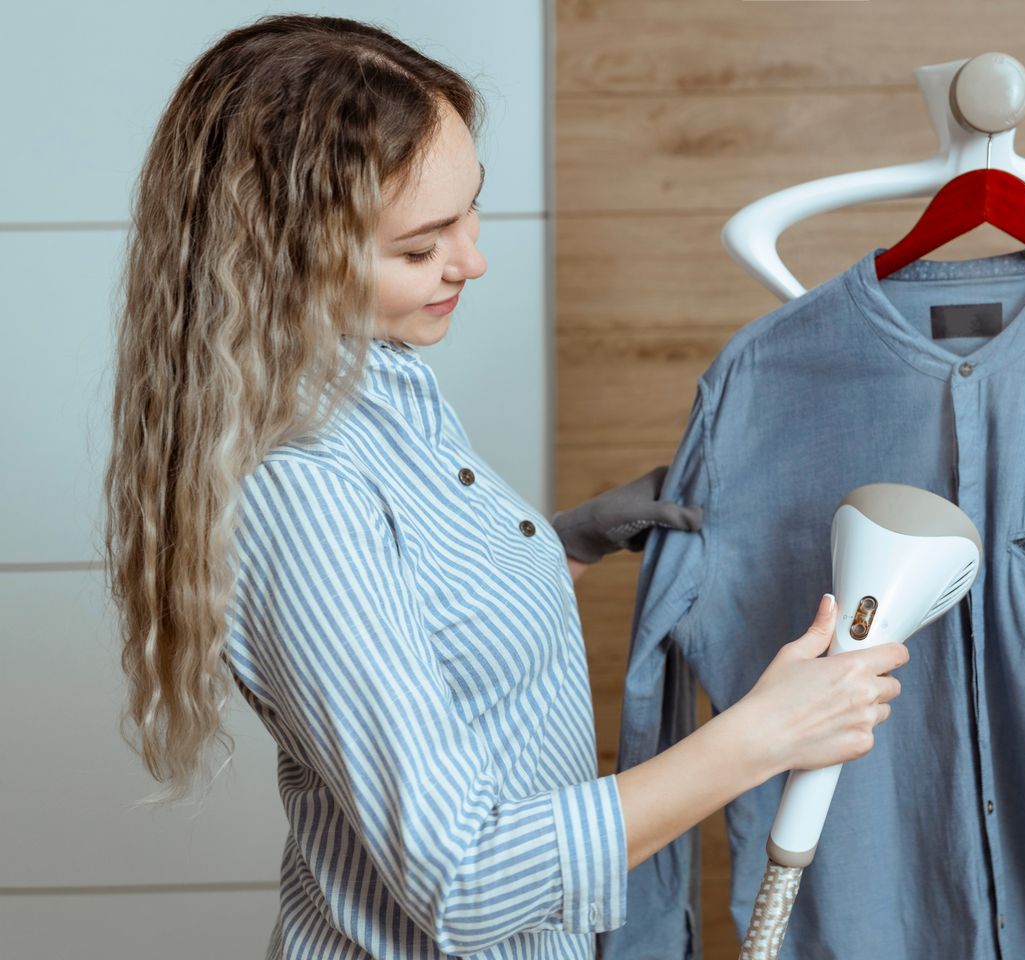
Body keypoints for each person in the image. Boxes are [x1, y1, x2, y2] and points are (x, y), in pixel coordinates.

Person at [102, 14, 907, 959]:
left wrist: (557, 544)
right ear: (283, 260)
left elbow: (423, 637)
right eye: (420, 247)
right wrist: (762, 737)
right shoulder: (303, 492)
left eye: (469, 210)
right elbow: (466, 879)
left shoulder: (386, 388)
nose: (471, 260)